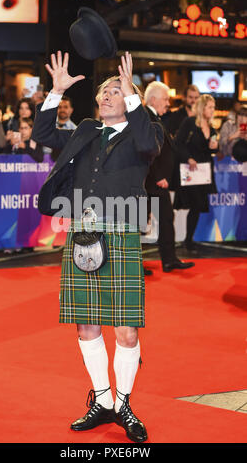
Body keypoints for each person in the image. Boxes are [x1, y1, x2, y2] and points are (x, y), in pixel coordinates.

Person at [32, 50, 163, 443]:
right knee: (87, 324)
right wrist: (54, 94)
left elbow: (148, 145)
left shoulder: (147, 130)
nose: (104, 96)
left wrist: (135, 97)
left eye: (114, 91)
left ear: (130, 99)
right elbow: (43, 135)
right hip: (83, 232)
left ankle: (124, 403)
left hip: (121, 234)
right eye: (103, 91)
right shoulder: (86, 129)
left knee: (125, 331)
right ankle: (103, 400)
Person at [144, 81, 195, 273]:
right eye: (165, 99)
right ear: (154, 99)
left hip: (159, 182)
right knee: (141, 222)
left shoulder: (155, 117)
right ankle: (133, 265)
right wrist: (159, 175)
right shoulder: (145, 117)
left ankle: (169, 260)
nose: (168, 103)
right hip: (150, 181)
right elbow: (146, 150)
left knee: (166, 218)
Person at [174, 94, 218, 251]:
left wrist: (215, 147)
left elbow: (211, 149)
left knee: (197, 206)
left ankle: (188, 240)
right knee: (195, 204)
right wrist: (188, 158)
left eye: (213, 107)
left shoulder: (211, 127)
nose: (213, 110)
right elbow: (178, 143)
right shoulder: (190, 122)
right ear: (202, 107)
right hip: (190, 170)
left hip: (204, 172)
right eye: (210, 107)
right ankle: (187, 241)